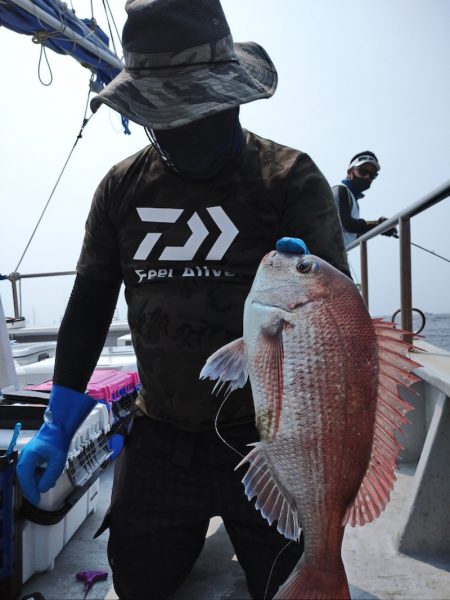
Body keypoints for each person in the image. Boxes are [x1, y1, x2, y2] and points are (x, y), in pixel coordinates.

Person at [16, 1, 350, 598]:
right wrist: (56, 427)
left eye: (197, 108)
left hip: (267, 441)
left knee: (288, 584)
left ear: (233, 95)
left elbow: (335, 336)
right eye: (165, 114)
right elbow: (90, 307)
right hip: (160, 436)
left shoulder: (291, 179)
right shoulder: (121, 188)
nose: (181, 127)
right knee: (140, 583)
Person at [332, 151, 397, 248]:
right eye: (363, 171)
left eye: (372, 174)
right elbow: (348, 225)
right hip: (324, 256)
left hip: (336, 257)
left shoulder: (353, 201)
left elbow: (352, 234)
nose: (367, 177)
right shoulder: (341, 190)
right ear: (350, 172)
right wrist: (378, 225)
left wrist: (381, 228)